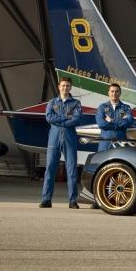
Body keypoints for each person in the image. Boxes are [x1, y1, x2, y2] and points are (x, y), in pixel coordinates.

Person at [39, 77, 83, 209]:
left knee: (72, 169)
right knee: (50, 168)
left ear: (71, 87)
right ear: (59, 87)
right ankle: (46, 199)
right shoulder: (52, 102)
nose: (65, 88)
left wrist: (59, 120)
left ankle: (73, 201)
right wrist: (65, 117)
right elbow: (49, 118)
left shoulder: (76, 103)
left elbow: (76, 119)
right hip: (54, 137)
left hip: (69, 137)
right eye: (63, 85)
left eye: (68, 86)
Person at [95, 83, 134, 152]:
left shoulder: (125, 108)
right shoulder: (102, 107)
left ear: (120, 93)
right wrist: (120, 123)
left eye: (116, 91)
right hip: (105, 143)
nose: (114, 93)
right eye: (112, 91)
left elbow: (129, 121)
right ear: (108, 93)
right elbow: (101, 124)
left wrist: (111, 121)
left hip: (121, 143)